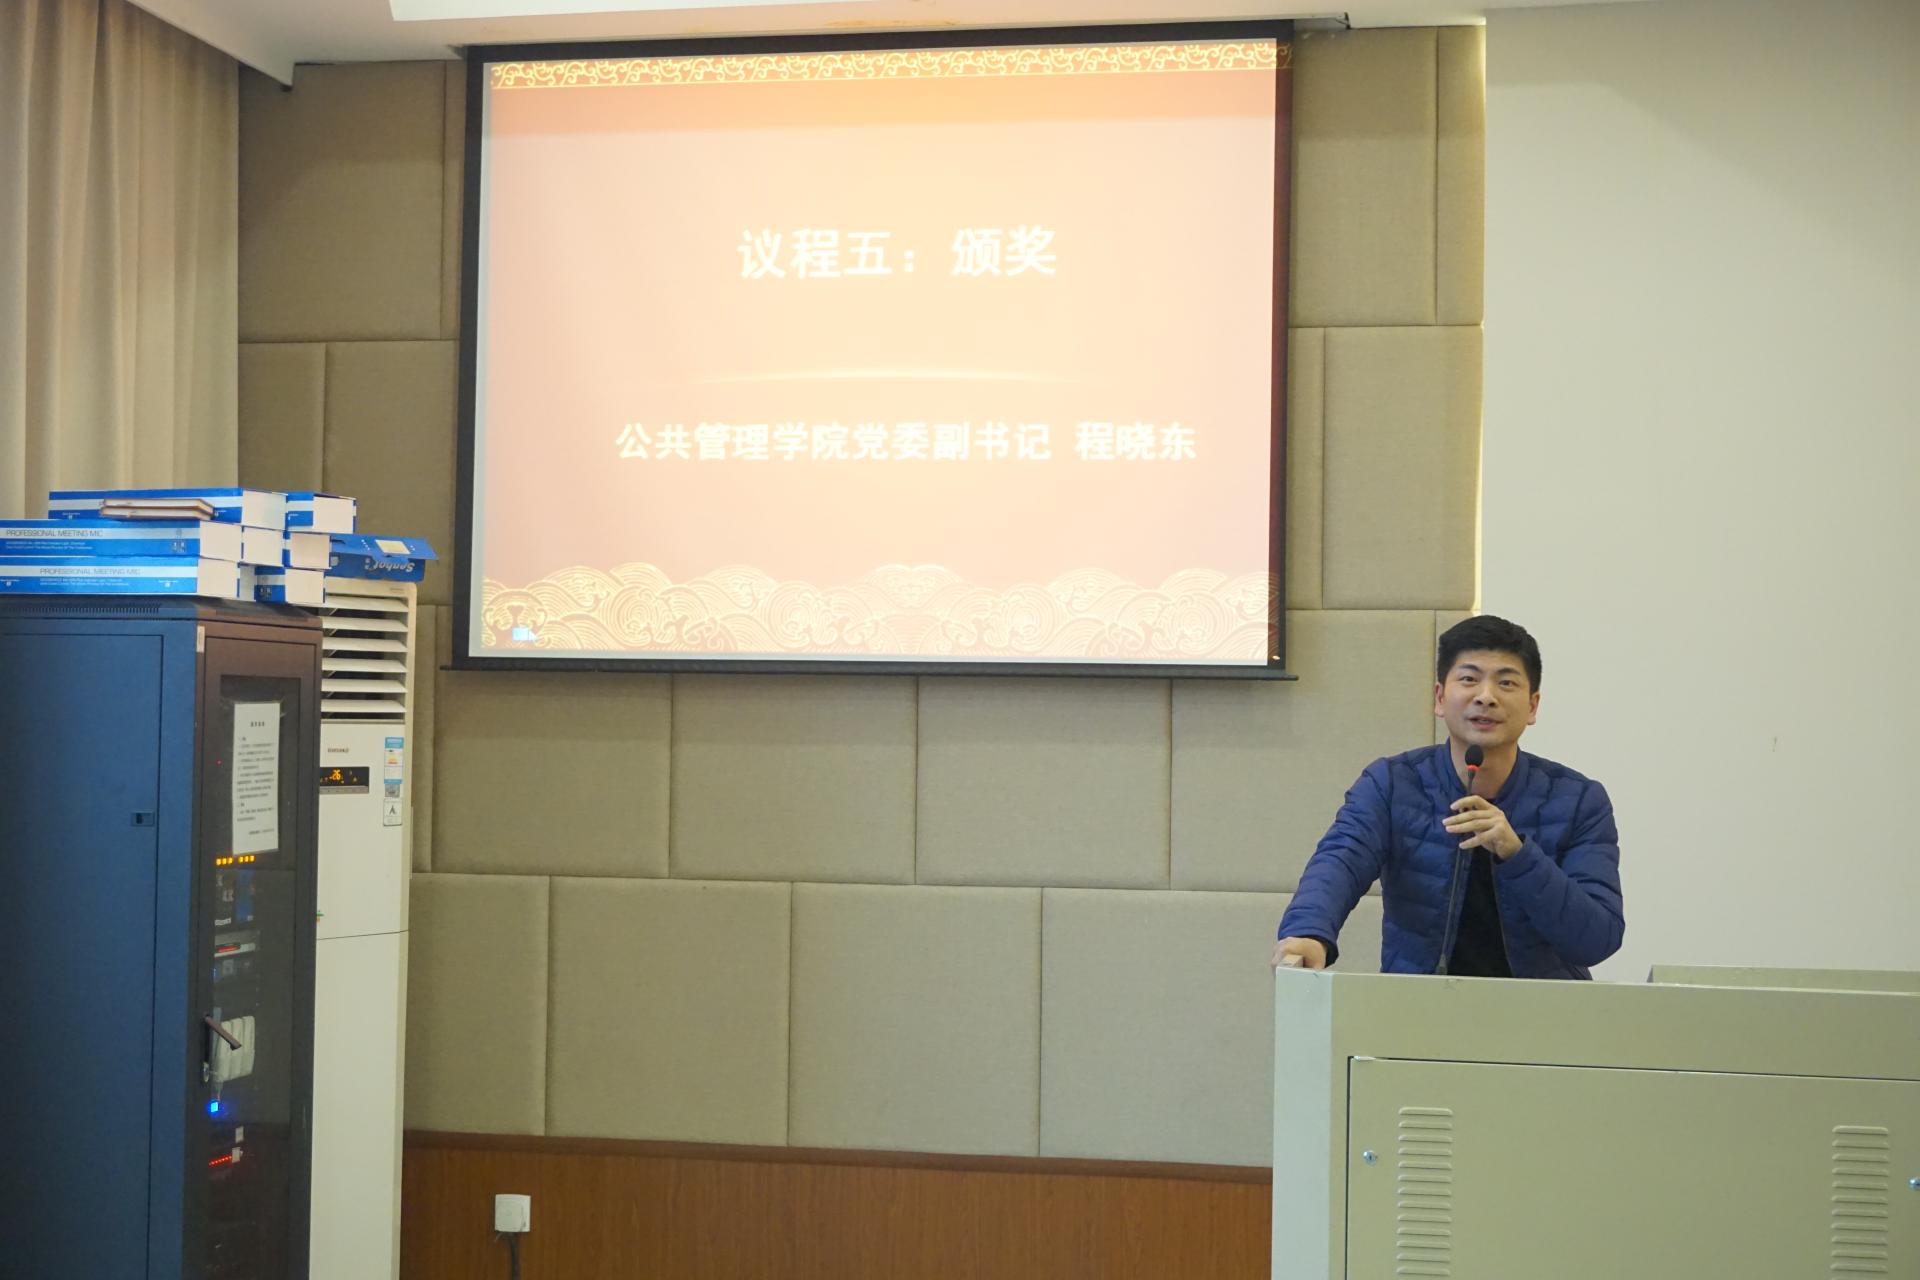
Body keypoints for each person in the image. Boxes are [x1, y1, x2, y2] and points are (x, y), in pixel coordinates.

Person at [1271, 615, 1623, 979]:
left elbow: (1597, 940)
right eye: (1469, 679)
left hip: (1543, 1009)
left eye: (1506, 683)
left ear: (1532, 706)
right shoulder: (1392, 784)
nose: (1486, 697)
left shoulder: (1578, 800)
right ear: (1440, 698)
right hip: (1421, 1005)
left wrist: (1517, 853)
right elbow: (1341, 860)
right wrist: (1309, 932)